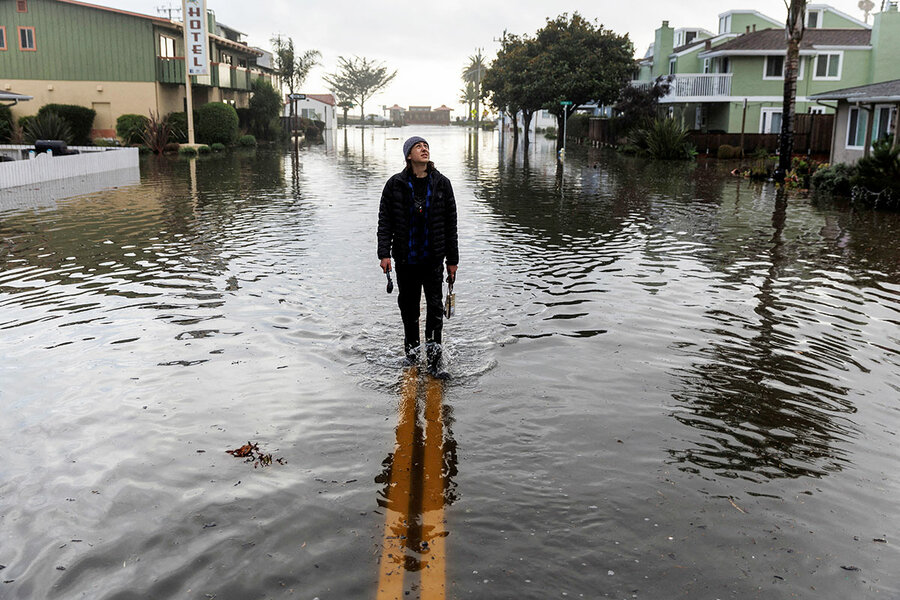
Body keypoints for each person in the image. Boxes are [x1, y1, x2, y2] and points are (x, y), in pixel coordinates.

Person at [378, 136, 458, 374]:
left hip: (433, 260)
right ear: (409, 156)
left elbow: (451, 225)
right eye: (418, 147)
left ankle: (434, 363)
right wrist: (384, 254)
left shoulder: (442, 184)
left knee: (434, 311)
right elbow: (385, 222)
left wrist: (452, 261)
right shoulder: (395, 185)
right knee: (409, 309)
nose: (424, 149)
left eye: (426, 146)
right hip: (405, 260)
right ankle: (412, 357)